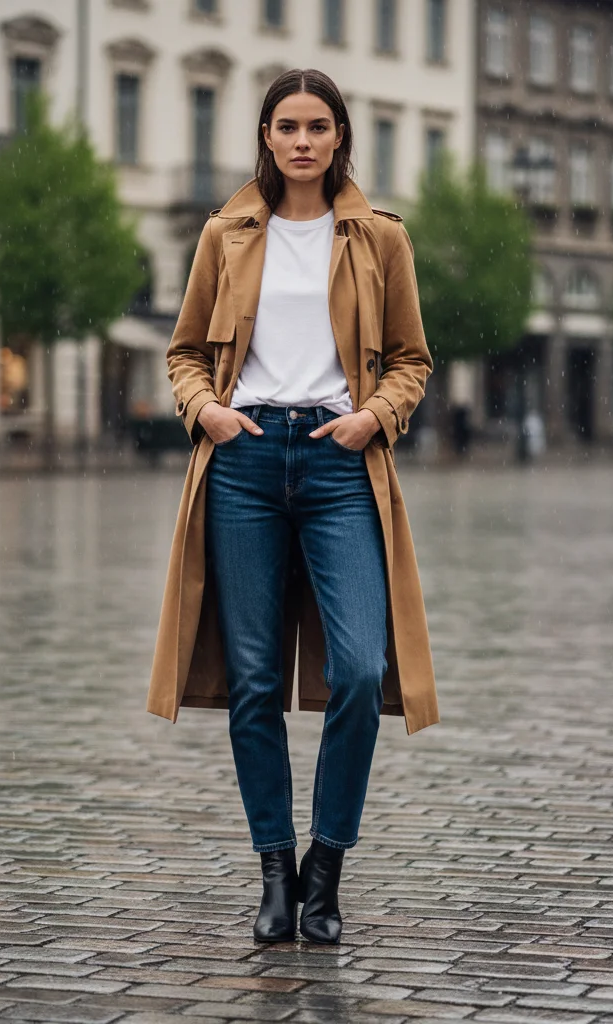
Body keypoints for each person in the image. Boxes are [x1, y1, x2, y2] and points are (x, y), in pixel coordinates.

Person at [146, 69, 439, 945]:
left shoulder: (380, 238)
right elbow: (184, 352)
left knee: (357, 669)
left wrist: (372, 420)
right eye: (287, 125)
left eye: (319, 125)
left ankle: (328, 869)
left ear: (341, 137)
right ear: (266, 137)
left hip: (339, 462)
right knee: (254, 684)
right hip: (241, 462)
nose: (303, 140)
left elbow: (413, 361)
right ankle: (276, 871)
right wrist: (207, 413)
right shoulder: (226, 233)